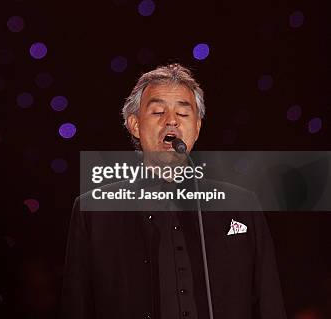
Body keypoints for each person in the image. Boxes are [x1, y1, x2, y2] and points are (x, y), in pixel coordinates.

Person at [60, 63, 286, 319]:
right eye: (158, 112)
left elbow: (269, 306)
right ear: (134, 125)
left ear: (198, 127)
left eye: (183, 113)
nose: (171, 121)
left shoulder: (241, 206)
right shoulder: (94, 211)